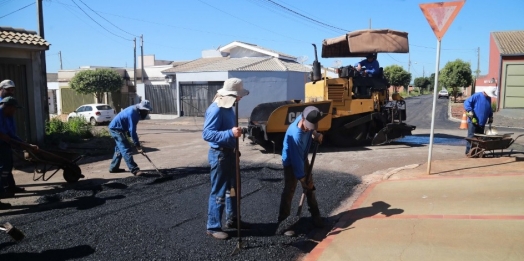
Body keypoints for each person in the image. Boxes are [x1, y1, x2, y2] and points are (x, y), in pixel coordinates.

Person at [202, 78, 250, 240]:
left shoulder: (229, 107)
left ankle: (233, 219)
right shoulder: (216, 109)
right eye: (239, 95)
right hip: (220, 155)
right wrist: (230, 134)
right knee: (219, 191)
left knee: (233, 189)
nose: (241, 98)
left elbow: (228, 129)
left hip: (230, 153)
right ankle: (213, 226)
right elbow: (207, 134)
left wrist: (236, 132)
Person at [278, 106, 324, 237]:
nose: (309, 128)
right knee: (290, 190)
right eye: (308, 126)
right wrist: (303, 179)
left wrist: (316, 134)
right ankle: (283, 221)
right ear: (302, 119)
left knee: (310, 188)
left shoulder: (307, 117)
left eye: (312, 126)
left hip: (302, 158)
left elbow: (312, 129)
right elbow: (296, 163)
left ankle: (316, 216)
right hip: (291, 162)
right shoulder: (296, 135)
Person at [0, 97, 39, 209]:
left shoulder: (8, 117)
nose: (15, 111)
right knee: (3, 169)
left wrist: (27, 145)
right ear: (9, 107)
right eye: (14, 109)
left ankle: (5, 188)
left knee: (6, 167)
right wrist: (2, 136)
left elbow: (12, 135)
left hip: (3, 144)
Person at [108, 100, 152, 176]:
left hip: (120, 128)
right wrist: (137, 145)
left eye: (147, 111)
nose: (146, 113)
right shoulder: (133, 113)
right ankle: (134, 169)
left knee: (119, 148)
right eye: (145, 111)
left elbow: (129, 126)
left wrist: (130, 134)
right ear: (141, 109)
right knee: (125, 149)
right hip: (116, 129)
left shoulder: (136, 111)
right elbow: (132, 131)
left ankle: (113, 168)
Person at [0, 80, 26, 194]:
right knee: (3, 168)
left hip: (5, 141)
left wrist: (22, 143)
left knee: (7, 164)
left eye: (12, 90)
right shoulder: (2, 109)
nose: (11, 92)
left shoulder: (8, 111)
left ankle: (9, 187)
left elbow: (9, 131)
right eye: (8, 89)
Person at [464, 87, 497, 155]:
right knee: (471, 137)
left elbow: (489, 108)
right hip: (473, 121)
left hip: (482, 122)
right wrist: (470, 113)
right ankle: (469, 151)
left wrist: (490, 116)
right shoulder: (477, 96)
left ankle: (478, 151)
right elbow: (466, 103)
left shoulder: (488, 98)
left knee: (480, 138)